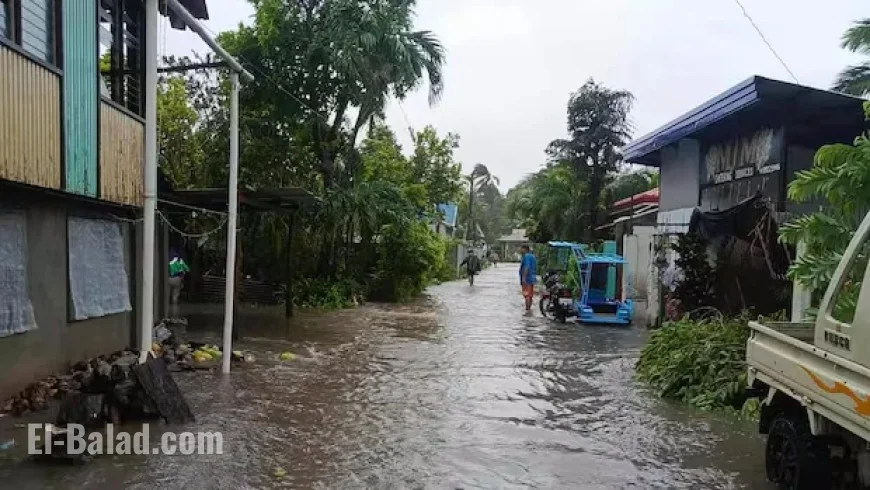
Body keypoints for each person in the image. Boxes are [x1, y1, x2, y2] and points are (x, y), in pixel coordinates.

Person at [168, 248, 190, 318]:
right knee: (175, 297)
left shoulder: (169, 260)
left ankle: (168, 313)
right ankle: (174, 314)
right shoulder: (180, 260)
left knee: (167, 295)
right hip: (177, 279)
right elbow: (187, 269)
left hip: (168, 279)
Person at [519, 245, 537, 313]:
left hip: (527, 279)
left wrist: (523, 278)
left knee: (527, 295)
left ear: (525, 249)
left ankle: (527, 310)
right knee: (530, 295)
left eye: (521, 249)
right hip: (532, 278)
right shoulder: (532, 256)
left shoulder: (526, 257)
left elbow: (526, 267)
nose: (520, 250)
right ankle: (529, 309)